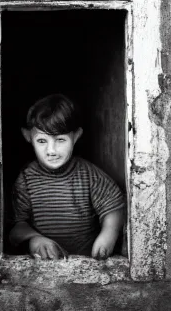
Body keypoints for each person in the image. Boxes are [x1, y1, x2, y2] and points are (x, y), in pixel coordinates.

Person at [9, 94, 125, 259]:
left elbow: (113, 206)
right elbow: (16, 226)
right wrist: (34, 239)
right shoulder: (26, 179)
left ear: (76, 136)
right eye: (42, 141)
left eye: (60, 140)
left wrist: (108, 234)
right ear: (28, 136)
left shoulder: (89, 175)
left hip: (86, 261)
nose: (51, 150)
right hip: (44, 266)